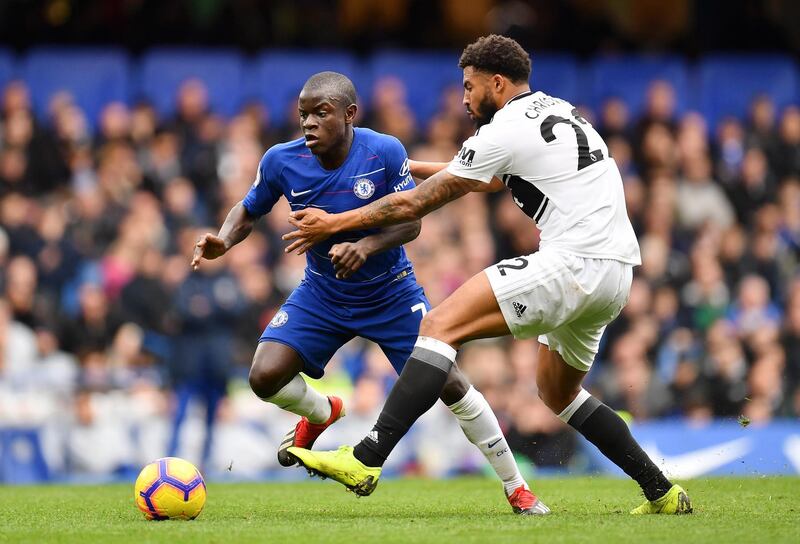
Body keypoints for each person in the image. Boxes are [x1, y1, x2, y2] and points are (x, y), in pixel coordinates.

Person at [282, 38, 693, 515]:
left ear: (496, 83)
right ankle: (661, 491)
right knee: (557, 392)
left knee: (438, 327)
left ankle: (367, 457)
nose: (463, 98)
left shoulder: (503, 129)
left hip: (573, 262)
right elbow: (493, 178)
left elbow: (414, 204)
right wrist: (406, 164)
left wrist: (334, 222)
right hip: (617, 272)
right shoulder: (557, 109)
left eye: (468, 86)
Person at [190, 71, 546, 515]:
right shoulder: (281, 160)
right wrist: (224, 240)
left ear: (349, 114)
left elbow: (411, 221)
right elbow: (248, 209)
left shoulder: (383, 151)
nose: (309, 123)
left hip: (390, 293)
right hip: (322, 292)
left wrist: (365, 245)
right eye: (303, 114)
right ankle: (323, 412)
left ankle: (516, 486)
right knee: (263, 376)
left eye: (321, 113)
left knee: (451, 384)